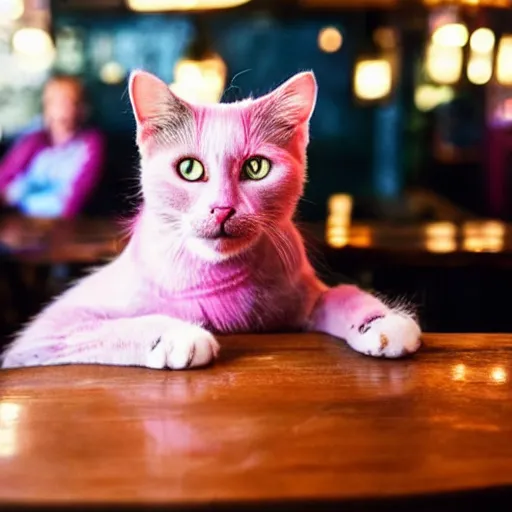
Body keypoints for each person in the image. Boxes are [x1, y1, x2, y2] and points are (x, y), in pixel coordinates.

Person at [0, 75, 104, 218]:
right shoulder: (33, 140)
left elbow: (74, 201)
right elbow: (4, 182)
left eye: (67, 101)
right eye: (52, 102)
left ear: (82, 107)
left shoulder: (90, 144)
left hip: (60, 226)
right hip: (16, 221)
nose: (60, 109)